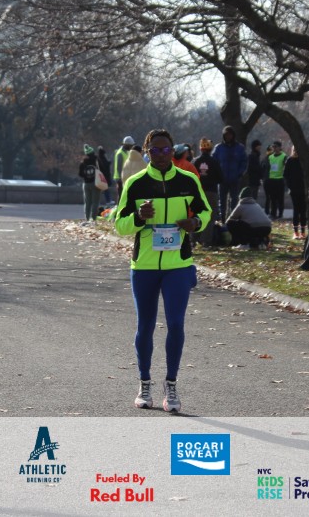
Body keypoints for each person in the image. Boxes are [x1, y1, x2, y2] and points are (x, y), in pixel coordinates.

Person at [115, 129, 211, 413]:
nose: (161, 155)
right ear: (146, 152)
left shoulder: (188, 180)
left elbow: (206, 211)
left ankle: (171, 385)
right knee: (145, 326)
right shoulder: (135, 183)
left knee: (176, 324)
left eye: (166, 149)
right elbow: (119, 225)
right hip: (144, 266)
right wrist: (138, 218)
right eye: (155, 150)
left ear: (173, 151)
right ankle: (144, 383)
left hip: (177, 265)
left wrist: (196, 224)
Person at [192, 138, 223, 246]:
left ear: (200, 149)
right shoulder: (214, 162)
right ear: (210, 149)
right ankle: (206, 240)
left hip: (198, 192)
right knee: (210, 217)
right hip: (211, 192)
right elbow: (220, 178)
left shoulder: (195, 161)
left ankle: (193, 239)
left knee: (196, 215)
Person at [212, 126, 247, 222]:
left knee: (234, 201)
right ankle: (222, 219)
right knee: (222, 201)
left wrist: (239, 173)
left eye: (230, 135)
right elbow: (214, 162)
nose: (228, 137)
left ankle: (232, 219)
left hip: (234, 179)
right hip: (221, 179)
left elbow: (244, 162)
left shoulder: (240, 148)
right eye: (226, 135)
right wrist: (217, 175)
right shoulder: (218, 148)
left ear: (233, 135)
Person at [283, 144, 307, 240]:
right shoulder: (290, 160)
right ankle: (296, 232)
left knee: (303, 211)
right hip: (294, 190)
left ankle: (303, 232)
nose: (296, 152)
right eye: (294, 150)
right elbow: (285, 174)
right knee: (296, 210)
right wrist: (290, 186)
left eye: (297, 150)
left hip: (303, 189)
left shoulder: (303, 161)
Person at [78, 144, 100, 224]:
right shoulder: (96, 161)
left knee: (87, 202)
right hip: (95, 183)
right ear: (93, 153)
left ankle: (87, 218)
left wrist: (86, 175)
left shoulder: (83, 162)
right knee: (95, 202)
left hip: (86, 184)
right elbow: (102, 170)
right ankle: (93, 219)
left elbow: (80, 174)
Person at [266, 140, 286, 220]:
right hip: (272, 180)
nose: (274, 148)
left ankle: (280, 214)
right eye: (273, 147)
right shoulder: (270, 157)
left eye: (276, 147)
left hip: (280, 179)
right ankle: (273, 214)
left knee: (280, 198)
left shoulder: (284, 156)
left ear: (280, 147)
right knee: (272, 198)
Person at [113, 136, 136, 200]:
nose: (131, 147)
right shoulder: (120, 153)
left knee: (125, 195)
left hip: (125, 177)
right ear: (126, 145)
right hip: (120, 178)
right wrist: (121, 178)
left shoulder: (127, 152)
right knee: (121, 195)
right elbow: (119, 167)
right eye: (130, 146)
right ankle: (119, 206)